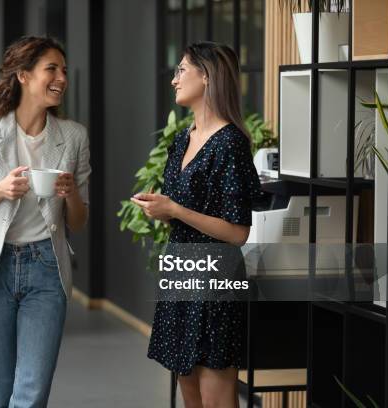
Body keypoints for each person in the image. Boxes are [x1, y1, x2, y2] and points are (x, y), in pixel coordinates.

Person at [0, 36, 91, 408]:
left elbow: (78, 221)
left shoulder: (74, 137)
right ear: (24, 75)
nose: (62, 77)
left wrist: (70, 192)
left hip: (47, 268)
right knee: (0, 393)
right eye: (52, 69)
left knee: (32, 394)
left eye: (63, 70)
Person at [131, 41, 261, 407]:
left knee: (215, 399)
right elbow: (176, 208)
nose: (174, 80)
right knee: (189, 394)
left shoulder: (230, 143)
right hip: (181, 272)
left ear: (206, 77)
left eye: (181, 70)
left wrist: (174, 209)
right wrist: (158, 207)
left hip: (215, 280)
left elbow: (237, 232)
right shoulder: (181, 140)